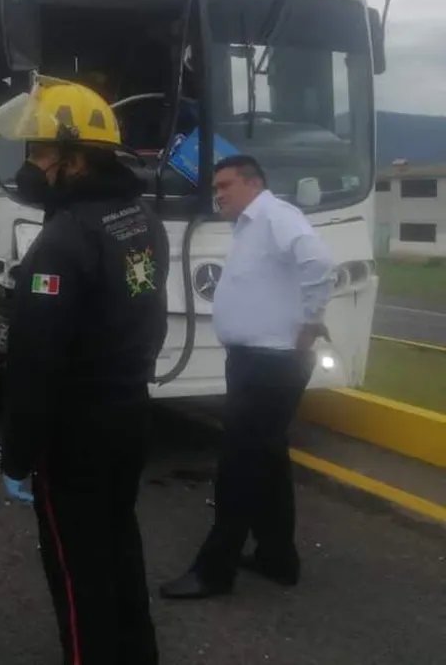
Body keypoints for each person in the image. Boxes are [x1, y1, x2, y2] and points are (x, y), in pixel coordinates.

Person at [0, 75, 170, 665]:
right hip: (128, 414)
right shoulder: (139, 218)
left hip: (77, 434)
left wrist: (18, 452)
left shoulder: (63, 241)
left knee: (75, 570)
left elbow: (37, 360)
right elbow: (148, 317)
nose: (31, 166)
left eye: (40, 152)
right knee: (118, 544)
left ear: (75, 159)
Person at [160, 154, 335, 600]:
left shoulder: (276, 215)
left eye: (225, 186)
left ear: (253, 184)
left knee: (238, 467)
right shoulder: (249, 224)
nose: (217, 193)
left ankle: (214, 571)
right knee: (269, 461)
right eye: (216, 187)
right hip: (255, 361)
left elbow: (317, 262)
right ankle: (278, 558)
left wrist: (312, 320)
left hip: (270, 365)